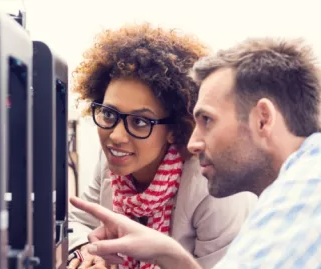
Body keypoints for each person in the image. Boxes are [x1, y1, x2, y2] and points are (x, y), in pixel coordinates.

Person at [70, 37, 321, 269]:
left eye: (207, 120)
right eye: (109, 115)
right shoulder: (292, 187)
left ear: (263, 120)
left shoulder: (306, 193)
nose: (191, 142)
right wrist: (169, 253)